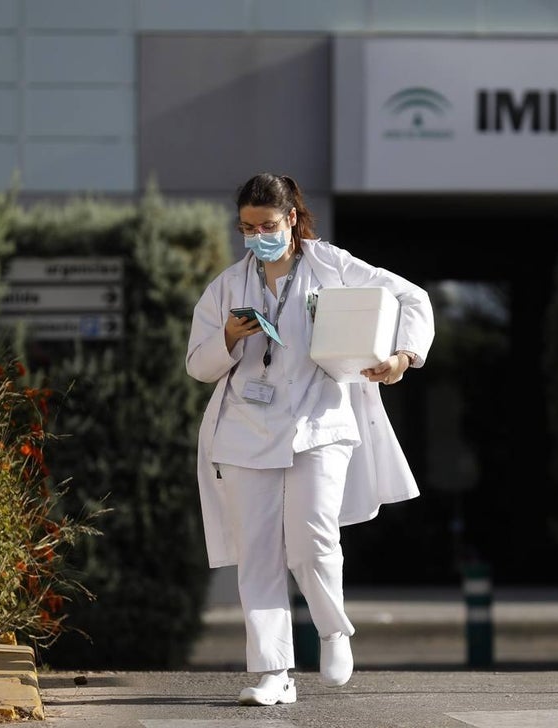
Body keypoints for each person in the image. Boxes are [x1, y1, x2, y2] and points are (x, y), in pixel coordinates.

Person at [185, 172, 434, 706]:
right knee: (257, 553)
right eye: (247, 227)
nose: (257, 236)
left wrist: (402, 358)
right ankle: (274, 671)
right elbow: (198, 366)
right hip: (245, 432)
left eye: (267, 225)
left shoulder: (332, 265)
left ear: (292, 218)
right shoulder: (229, 285)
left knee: (312, 537)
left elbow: (412, 299)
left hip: (320, 421)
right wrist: (228, 336)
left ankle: (333, 628)